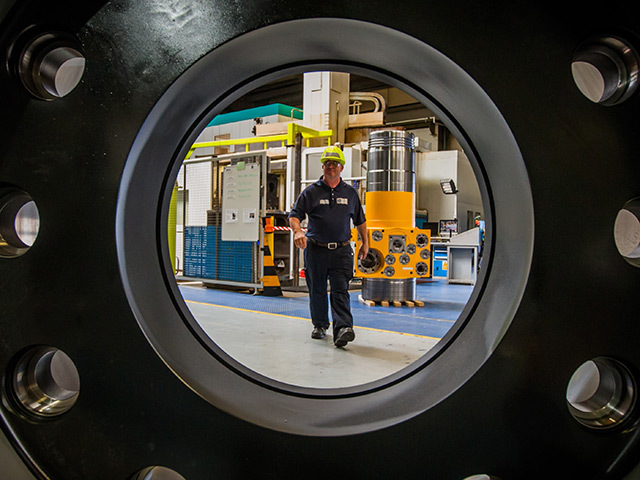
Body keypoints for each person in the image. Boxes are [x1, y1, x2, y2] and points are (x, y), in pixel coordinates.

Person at [288, 146, 368, 347]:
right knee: (317, 289)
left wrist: (365, 243)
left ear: (342, 167)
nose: (331, 167)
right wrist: (298, 231)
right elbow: (294, 215)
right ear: (323, 166)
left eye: (335, 163)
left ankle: (343, 328)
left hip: (342, 250)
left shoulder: (350, 193)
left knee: (341, 289)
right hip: (316, 250)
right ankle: (320, 325)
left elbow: (360, 220)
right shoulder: (311, 192)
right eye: (327, 163)